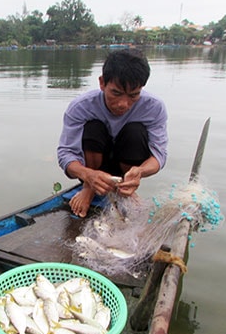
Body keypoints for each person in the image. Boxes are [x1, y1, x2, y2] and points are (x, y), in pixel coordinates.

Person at [57, 48, 168, 217]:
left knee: (135, 131)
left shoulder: (153, 108)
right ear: (102, 83)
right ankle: (90, 188)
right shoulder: (81, 107)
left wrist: (140, 172)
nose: (123, 104)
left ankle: (125, 188)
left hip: (126, 167)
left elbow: (158, 156)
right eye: (116, 93)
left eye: (133, 95)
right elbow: (66, 153)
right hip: (94, 165)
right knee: (94, 127)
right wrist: (88, 176)